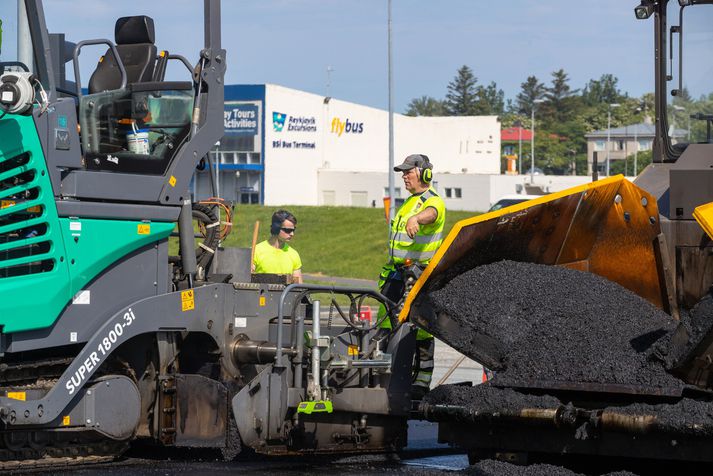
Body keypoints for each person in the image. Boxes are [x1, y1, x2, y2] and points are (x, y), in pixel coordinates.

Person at [379, 154, 446, 400]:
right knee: (385, 326)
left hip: (419, 277)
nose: (404, 176)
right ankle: (388, 374)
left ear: (424, 174)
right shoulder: (407, 202)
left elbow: (431, 214)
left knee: (422, 330)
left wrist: (417, 218)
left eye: (408, 172)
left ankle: (421, 382)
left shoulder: (432, 202)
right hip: (397, 276)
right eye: (403, 172)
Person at [253, 209, 303, 283]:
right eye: (288, 230)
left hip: (285, 294)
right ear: (276, 228)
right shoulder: (256, 251)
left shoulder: (294, 254)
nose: (292, 234)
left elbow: (298, 286)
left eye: (293, 230)